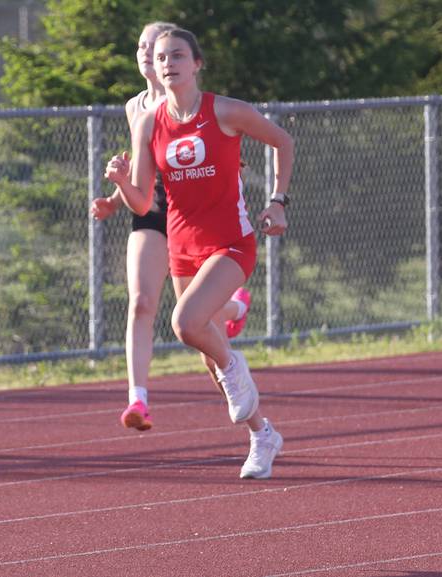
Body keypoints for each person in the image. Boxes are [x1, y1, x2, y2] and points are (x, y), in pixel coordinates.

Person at [105, 27, 293, 479]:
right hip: (182, 247)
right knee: (206, 350)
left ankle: (236, 365)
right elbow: (145, 203)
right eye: (162, 56)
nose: (168, 63)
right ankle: (261, 434)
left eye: (178, 56)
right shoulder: (149, 121)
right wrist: (120, 183)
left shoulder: (225, 111)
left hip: (231, 241)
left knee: (186, 323)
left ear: (196, 64)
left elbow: (283, 141)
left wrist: (277, 200)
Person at [91, 22, 253, 432]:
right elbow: (141, 168)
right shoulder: (136, 108)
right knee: (142, 301)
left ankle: (234, 307)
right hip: (152, 208)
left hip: (197, 212)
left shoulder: (190, 96)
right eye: (142, 46)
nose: (149, 54)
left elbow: (221, 142)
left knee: (195, 318)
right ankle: (138, 399)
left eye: (157, 47)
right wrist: (114, 198)